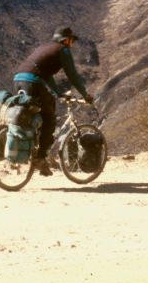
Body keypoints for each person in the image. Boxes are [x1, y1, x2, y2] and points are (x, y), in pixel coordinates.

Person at [12, 26, 94, 176]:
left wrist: (58, 93)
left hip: (18, 79)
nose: (72, 44)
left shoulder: (45, 48)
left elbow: (46, 75)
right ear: (66, 40)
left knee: (31, 114)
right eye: (71, 41)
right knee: (49, 119)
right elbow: (73, 75)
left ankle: (31, 148)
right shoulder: (62, 50)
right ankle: (40, 158)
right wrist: (85, 94)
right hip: (33, 82)